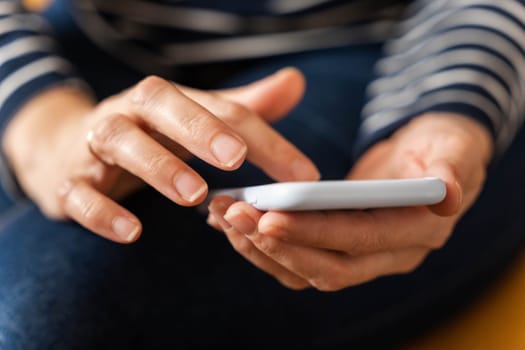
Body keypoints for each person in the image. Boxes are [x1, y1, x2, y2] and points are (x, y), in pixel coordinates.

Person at [0, 0, 524, 348]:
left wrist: (452, 103)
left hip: (404, 47)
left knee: (32, 321)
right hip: (88, 38)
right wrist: (38, 121)